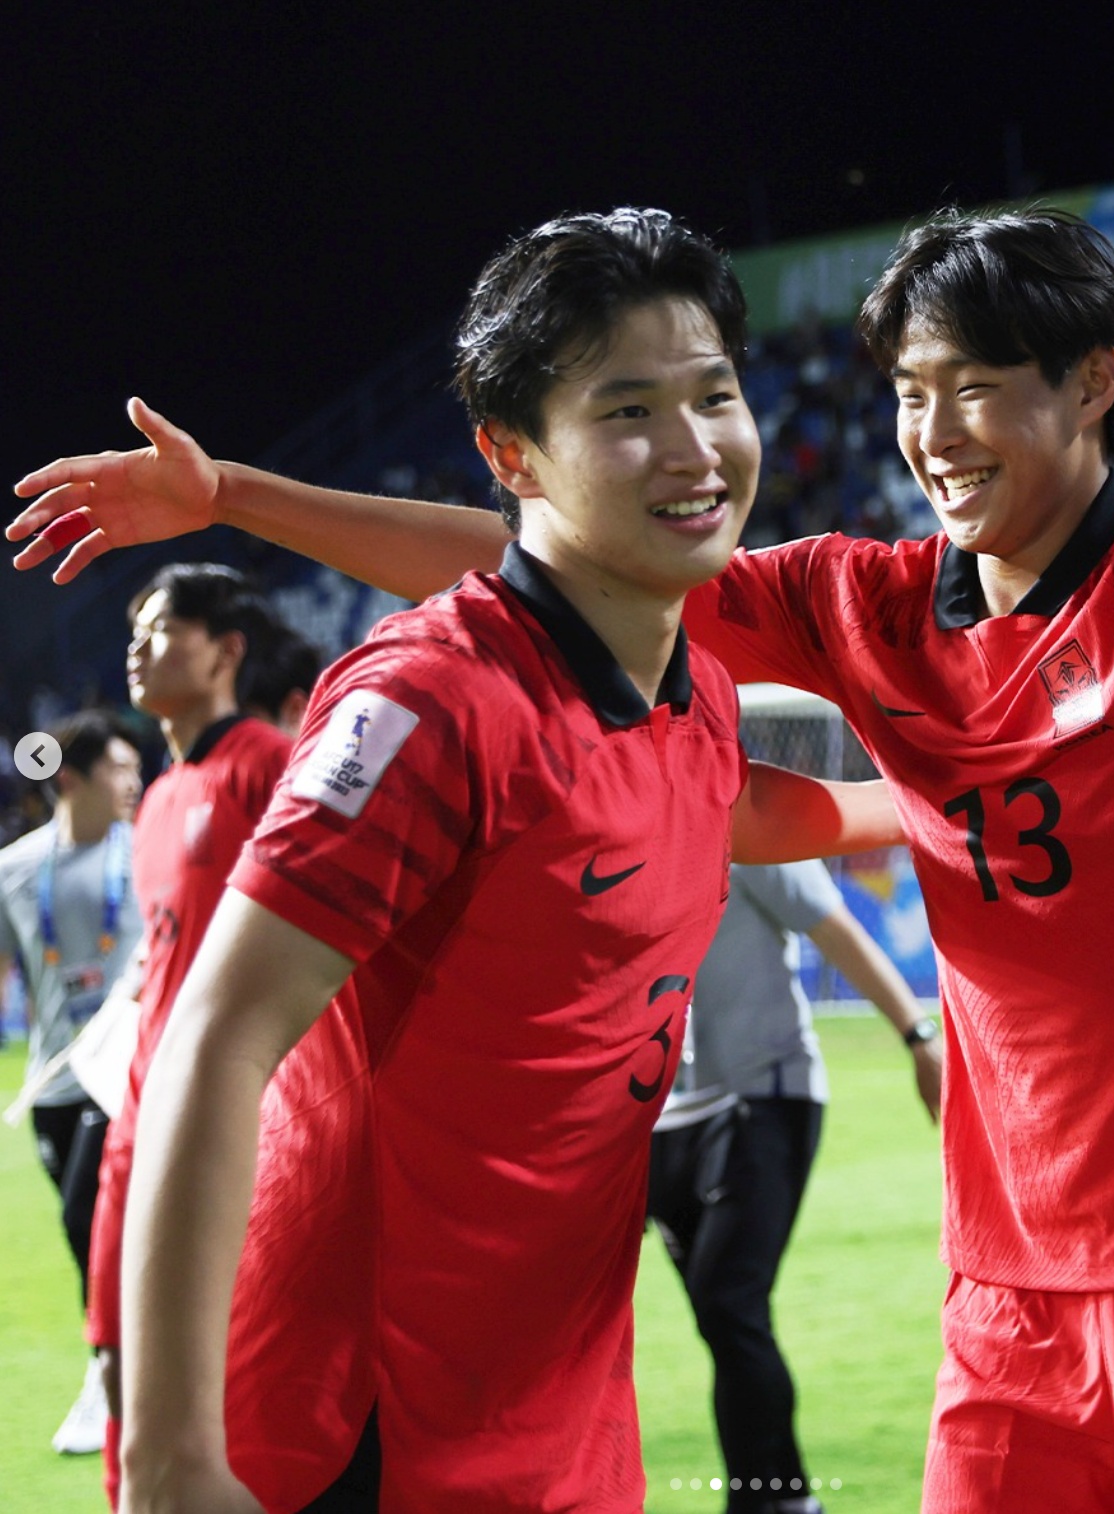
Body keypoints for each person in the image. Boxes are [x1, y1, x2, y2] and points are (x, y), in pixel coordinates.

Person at [8, 118, 1114, 1512]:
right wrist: (237, 499)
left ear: (1091, 381)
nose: (933, 432)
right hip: (1005, 1287)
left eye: (972, 385)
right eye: (908, 392)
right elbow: (558, 548)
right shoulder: (865, 602)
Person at [20, 210, 902, 1514]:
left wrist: (941, 800)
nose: (692, 447)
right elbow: (217, 1036)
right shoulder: (431, 700)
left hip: (551, 1405)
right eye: (627, 410)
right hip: (357, 1417)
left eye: (714, 394)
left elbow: (735, 814)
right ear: (510, 454)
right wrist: (168, 1459)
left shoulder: (691, 694)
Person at [84, 562, 293, 1506]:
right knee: (125, 1373)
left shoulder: (267, 766)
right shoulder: (160, 796)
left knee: (232, 1389)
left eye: (164, 627)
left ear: (227, 650)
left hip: (234, 1124)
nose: (140, 644)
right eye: (135, 627)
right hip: (137, 1122)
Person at [646, 859, 940, 1514]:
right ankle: (785, 1497)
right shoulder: (623, 819)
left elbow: (835, 930)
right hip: (661, 1115)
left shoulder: (747, 815)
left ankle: (771, 1501)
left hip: (766, 1094)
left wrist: (919, 1038)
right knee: (720, 1318)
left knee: (728, 1301)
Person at [0, 710, 143, 1454]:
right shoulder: (16, 869)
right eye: (117, 769)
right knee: (85, 1228)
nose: (132, 782)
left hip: (128, 1077)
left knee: (87, 1212)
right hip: (53, 1081)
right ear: (71, 779)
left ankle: (107, 1375)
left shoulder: (151, 849)